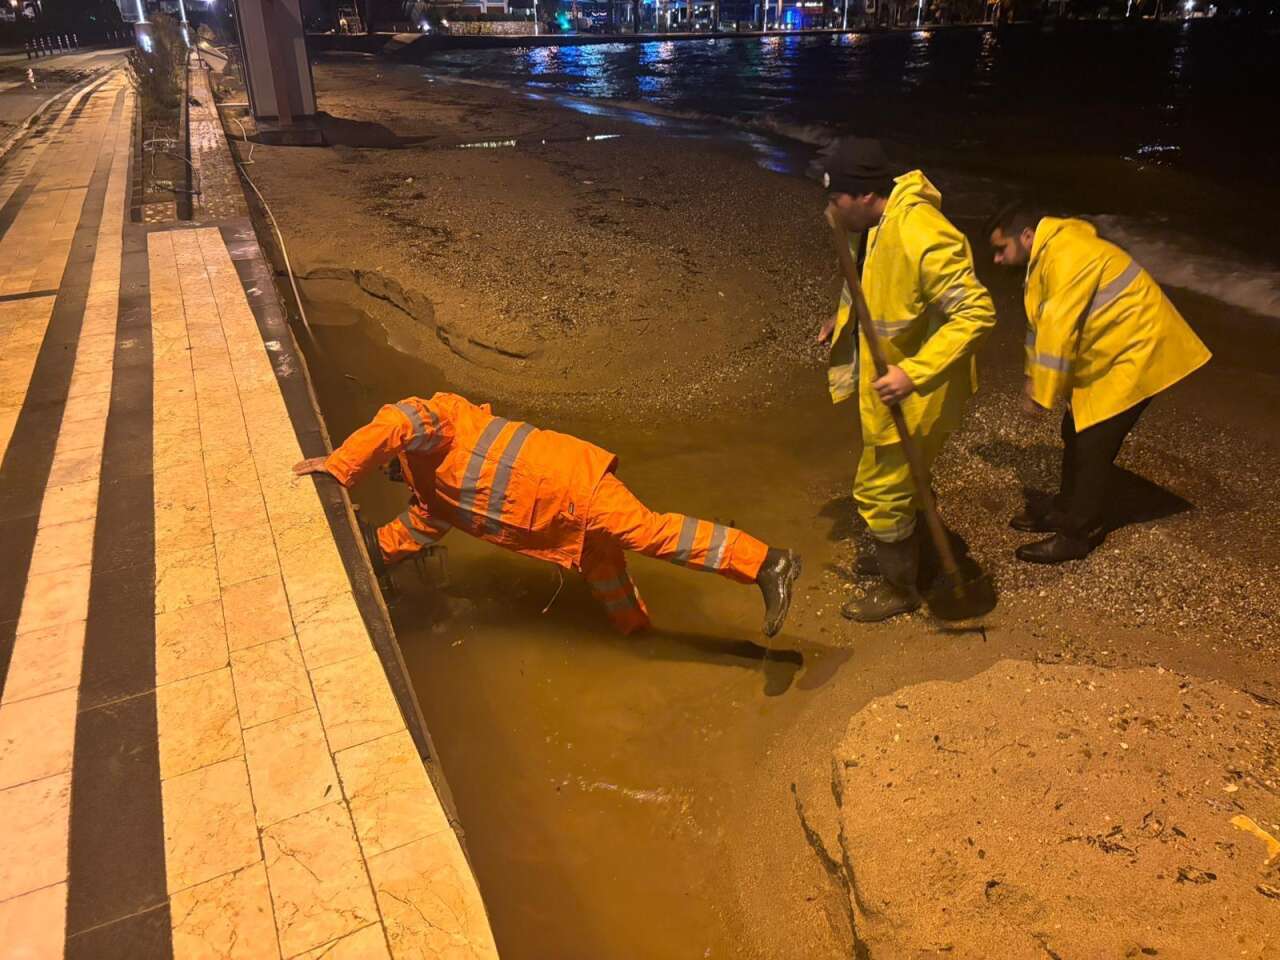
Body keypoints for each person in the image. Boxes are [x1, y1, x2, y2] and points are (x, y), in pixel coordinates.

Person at [294, 392, 802, 637]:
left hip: (572, 483)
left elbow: (398, 420)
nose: (399, 480)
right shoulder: (431, 495)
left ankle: (766, 563)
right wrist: (370, 557)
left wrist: (339, 468)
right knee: (604, 571)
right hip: (563, 524)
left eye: (394, 471)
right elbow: (413, 531)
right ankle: (638, 634)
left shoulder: (439, 426)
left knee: (649, 531)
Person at [820, 138, 997, 622]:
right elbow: (870, 279)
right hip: (898, 380)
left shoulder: (921, 233)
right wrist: (845, 321)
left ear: (863, 195)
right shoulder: (873, 224)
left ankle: (900, 589)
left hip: (922, 389)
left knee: (878, 490)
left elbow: (977, 313)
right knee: (902, 480)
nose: (829, 209)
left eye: (836, 199)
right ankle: (920, 530)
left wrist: (912, 373)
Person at [986, 199, 1211, 563]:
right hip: (1110, 353)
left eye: (1001, 249)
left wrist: (1039, 394)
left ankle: (1078, 533)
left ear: (1027, 236)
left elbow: (1057, 328)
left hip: (1139, 352)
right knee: (1074, 430)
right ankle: (1065, 508)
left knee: (1093, 442)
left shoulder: (1067, 255)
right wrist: (1033, 376)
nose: (996, 259)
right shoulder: (1046, 257)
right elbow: (1040, 326)